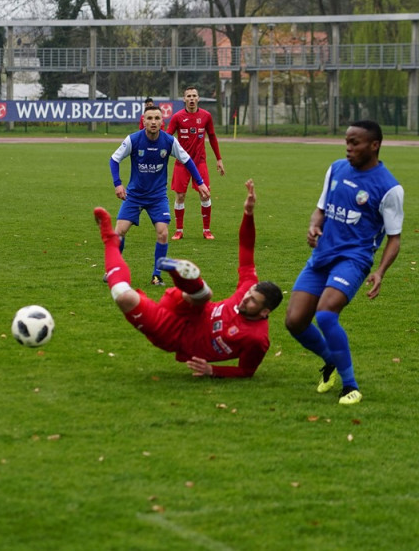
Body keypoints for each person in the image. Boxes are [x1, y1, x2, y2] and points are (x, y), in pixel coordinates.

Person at [94, 179, 282, 377]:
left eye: (253, 301)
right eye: (250, 293)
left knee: (123, 296)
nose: (246, 298)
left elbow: (246, 371)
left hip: (175, 334)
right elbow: (246, 248)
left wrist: (212, 370)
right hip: (189, 305)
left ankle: (111, 242)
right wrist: (248, 213)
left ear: (265, 312)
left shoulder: (257, 339)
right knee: (204, 296)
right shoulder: (248, 289)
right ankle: (187, 279)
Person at [284, 121, 404, 406]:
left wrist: (380, 271)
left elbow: (394, 238)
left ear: (374, 145)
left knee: (326, 315)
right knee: (295, 321)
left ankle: (350, 386)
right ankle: (331, 360)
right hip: (322, 255)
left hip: (354, 259)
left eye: (355, 143)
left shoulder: (389, 188)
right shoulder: (336, 169)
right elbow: (320, 210)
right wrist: (314, 226)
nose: (348, 148)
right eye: (347, 142)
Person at [109, 105, 209, 285]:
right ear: (143, 121)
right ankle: (114, 270)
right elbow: (114, 159)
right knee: (119, 232)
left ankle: (157, 275)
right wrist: (118, 184)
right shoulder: (133, 139)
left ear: (162, 121)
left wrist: (200, 182)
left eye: (157, 118)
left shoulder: (169, 141)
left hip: (157, 196)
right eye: (149, 118)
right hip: (135, 195)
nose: (153, 122)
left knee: (163, 233)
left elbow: (187, 160)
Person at [167, 86, 225, 240]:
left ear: (198, 98)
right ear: (184, 99)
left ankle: (207, 230)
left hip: (200, 162)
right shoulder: (177, 117)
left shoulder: (206, 116)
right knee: (180, 196)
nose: (191, 99)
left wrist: (219, 159)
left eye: (194, 96)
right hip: (182, 163)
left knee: (205, 195)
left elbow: (212, 137)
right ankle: (179, 230)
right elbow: (167, 137)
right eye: (189, 96)